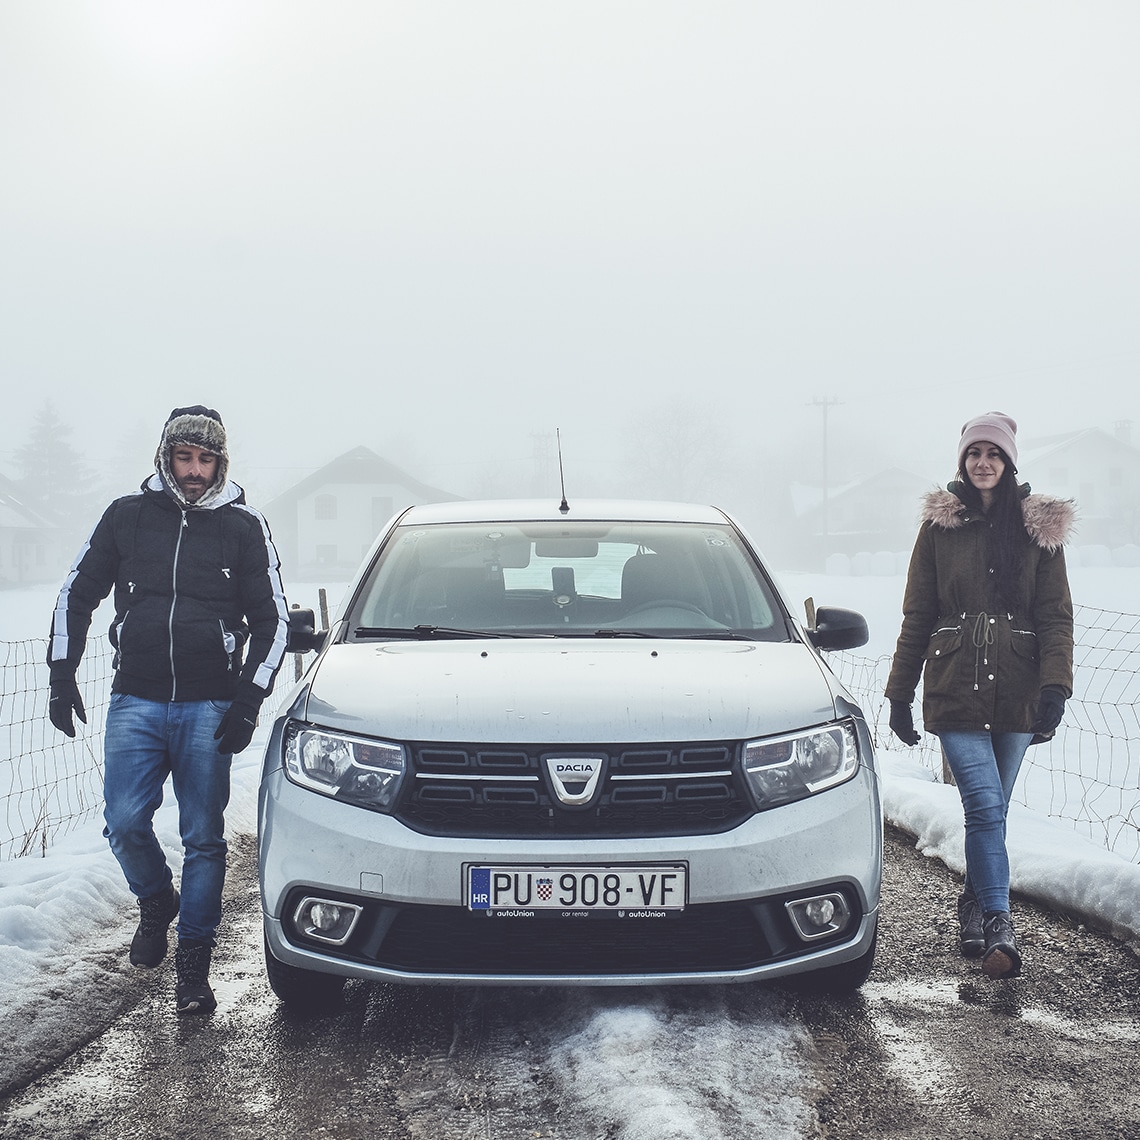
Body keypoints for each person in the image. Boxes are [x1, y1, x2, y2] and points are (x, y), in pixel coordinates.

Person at [47, 406, 289, 1015]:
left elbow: (273, 621)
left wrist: (249, 701)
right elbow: (78, 590)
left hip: (210, 704)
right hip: (137, 698)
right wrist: (60, 670)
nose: (194, 472)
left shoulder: (243, 527)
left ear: (220, 464)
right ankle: (157, 900)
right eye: (185, 458)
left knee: (204, 840)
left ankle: (192, 970)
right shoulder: (127, 518)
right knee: (125, 822)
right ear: (165, 457)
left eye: (206, 460)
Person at [885, 412, 1074, 980]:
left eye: (993, 454)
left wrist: (1055, 687)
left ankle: (972, 906)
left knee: (990, 814)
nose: (983, 463)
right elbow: (918, 613)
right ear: (962, 463)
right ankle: (998, 922)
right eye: (973, 455)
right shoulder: (940, 528)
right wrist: (900, 692)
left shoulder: (1038, 530)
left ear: (1009, 461)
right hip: (955, 687)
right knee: (986, 807)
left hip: (1019, 688)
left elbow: (1055, 616)